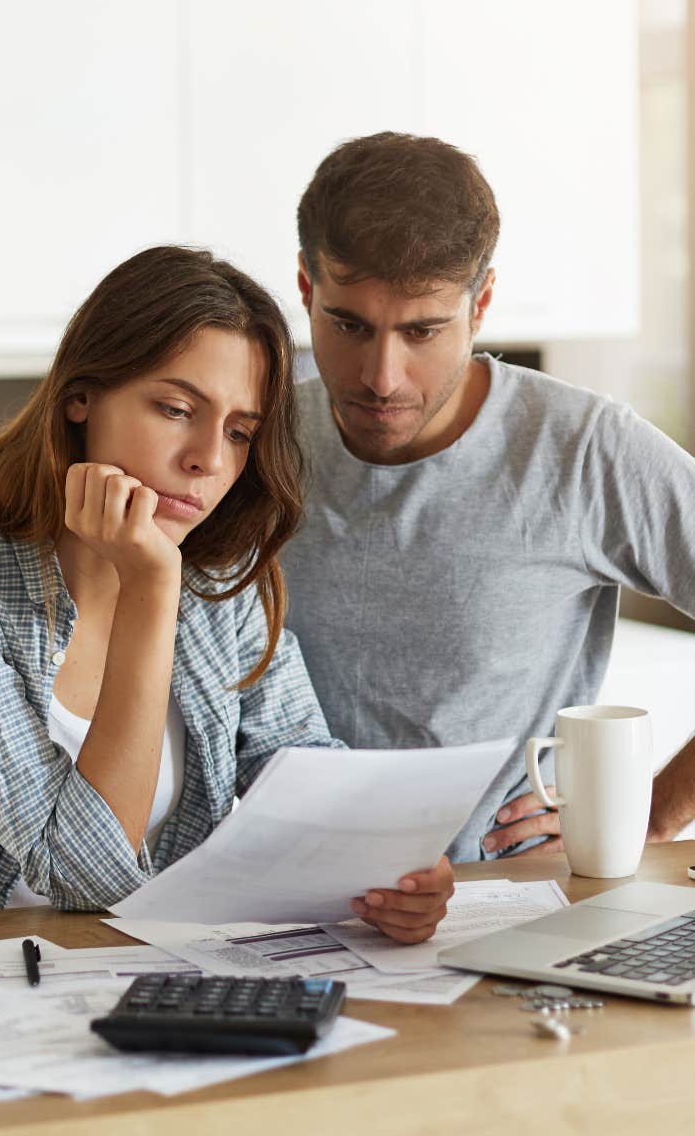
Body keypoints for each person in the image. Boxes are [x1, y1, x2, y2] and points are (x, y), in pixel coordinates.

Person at [0, 245, 453, 935]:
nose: (208, 459)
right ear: (80, 398)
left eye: (239, 432)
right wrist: (151, 589)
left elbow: (303, 780)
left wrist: (388, 865)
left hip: (139, 983)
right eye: (174, 408)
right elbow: (83, 871)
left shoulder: (221, 583)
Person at [282, 132, 695, 863]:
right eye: (349, 325)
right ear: (307, 291)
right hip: (288, 906)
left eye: (423, 330)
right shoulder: (258, 442)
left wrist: (650, 812)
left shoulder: (582, 448)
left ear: (483, 304)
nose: (382, 376)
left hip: (506, 908)